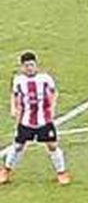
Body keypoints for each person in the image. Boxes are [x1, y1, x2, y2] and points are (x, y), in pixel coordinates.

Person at [0, 51, 71, 186]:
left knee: (52, 145)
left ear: (36, 65)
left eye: (31, 65)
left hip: (44, 120)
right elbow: (15, 95)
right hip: (26, 120)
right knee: (18, 146)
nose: (29, 68)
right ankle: (6, 170)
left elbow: (54, 92)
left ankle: (61, 172)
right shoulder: (18, 80)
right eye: (26, 66)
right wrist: (13, 108)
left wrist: (52, 107)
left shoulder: (45, 78)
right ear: (22, 67)